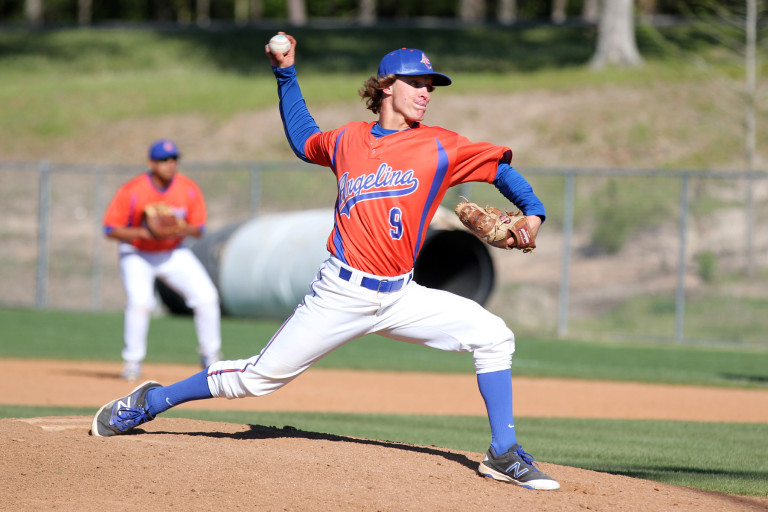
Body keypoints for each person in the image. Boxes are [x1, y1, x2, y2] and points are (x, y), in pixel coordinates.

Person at [91, 35, 559, 491]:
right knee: (256, 380)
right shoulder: (347, 142)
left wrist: (532, 212)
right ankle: (150, 400)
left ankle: (504, 452)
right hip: (341, 292)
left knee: (494, 336)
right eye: (417, 82)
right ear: (387, 85)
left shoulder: (440, 145)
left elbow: (498, 167)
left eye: (431, 86)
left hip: (400, 294)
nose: (425, 93)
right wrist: (285, 73)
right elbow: (302, 138)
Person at [102, 139, 222, 381]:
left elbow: (199, 229)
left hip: (172, 251)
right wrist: (144, 233)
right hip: (137, 253)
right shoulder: (133, 190)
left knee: (207, 297)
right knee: (140, 302)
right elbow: (110, 229)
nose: (170, 164)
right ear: (151, 163)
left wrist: (177, 227)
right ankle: (132, 362)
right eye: (163, 160)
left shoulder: (187, 189)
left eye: (174, 159)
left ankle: (211, 357)